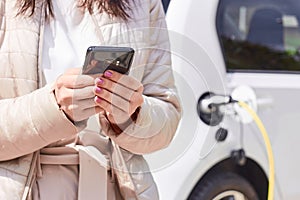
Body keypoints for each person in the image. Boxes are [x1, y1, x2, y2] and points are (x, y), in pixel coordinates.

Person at [0, 0, 181, 199]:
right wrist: (53, 107)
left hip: (117, 187)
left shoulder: (143, 4)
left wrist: (132, 114)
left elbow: (167, 116)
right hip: (22, 189)